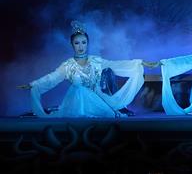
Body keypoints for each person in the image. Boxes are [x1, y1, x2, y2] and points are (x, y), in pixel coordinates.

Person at [19, 21, 148, 117]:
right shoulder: (68, 65)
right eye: (77, 43)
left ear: (87, 43)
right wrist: (34, 84)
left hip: (98, 100)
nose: (80, 46)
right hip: (77, 102)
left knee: (106, 109)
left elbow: (116, 65)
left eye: (83, 42)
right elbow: (52, 78)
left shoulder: (96, 61)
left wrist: (138, 63)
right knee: (79, 89)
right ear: (72, 45)